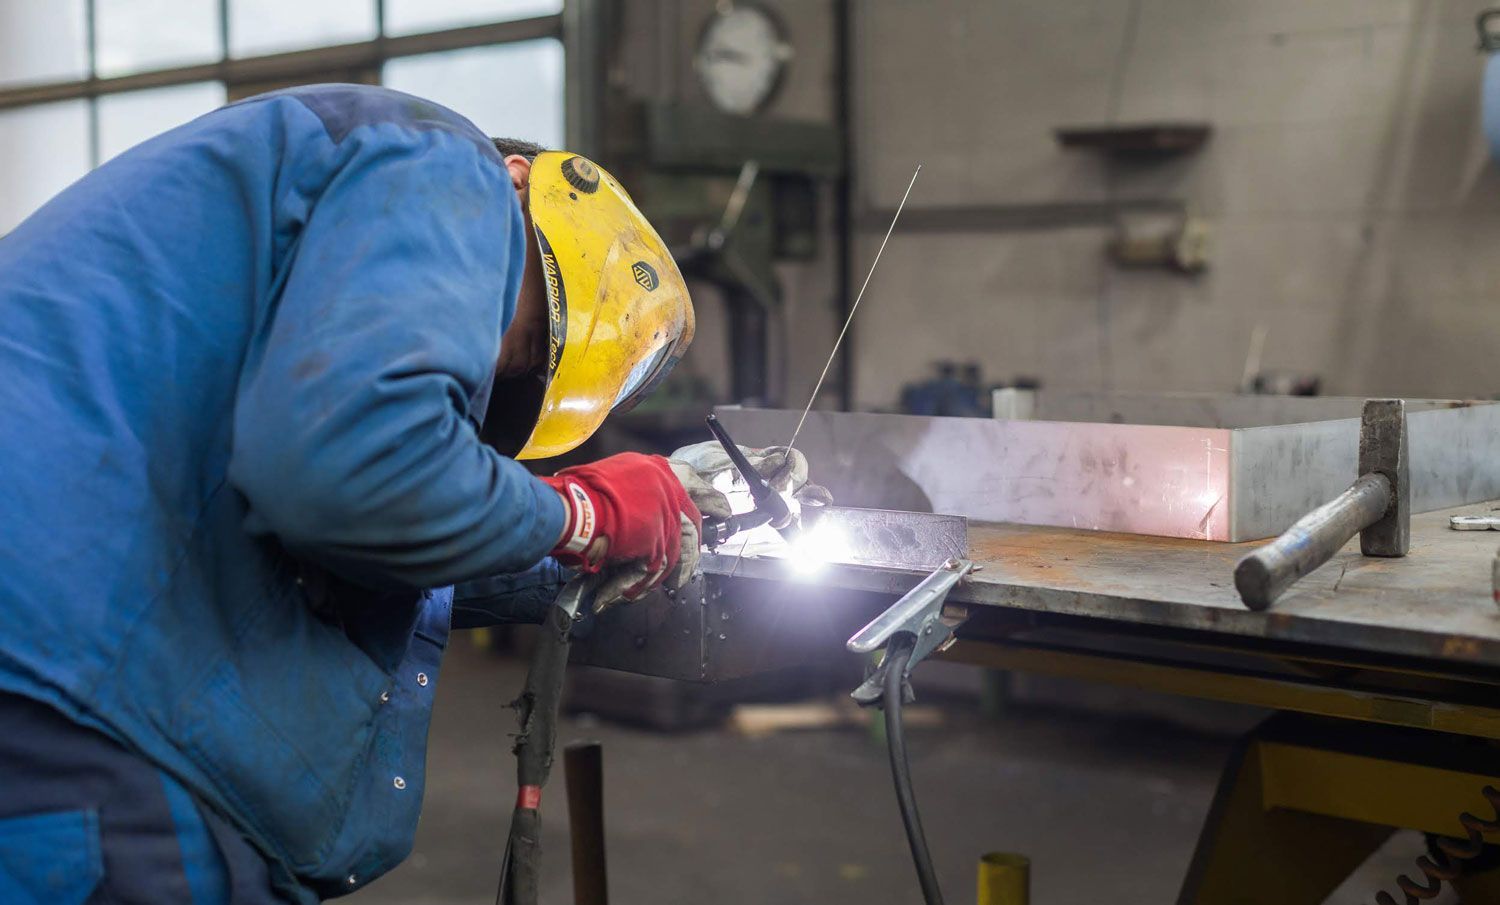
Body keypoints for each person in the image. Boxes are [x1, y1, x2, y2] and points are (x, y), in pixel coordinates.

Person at [0, 83, 811, 903]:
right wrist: (583, 516)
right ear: (522, 183)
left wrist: (609, 524)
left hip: (72, 679)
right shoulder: (451, 167)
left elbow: (378, 533)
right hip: (72, 690)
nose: (496, 366)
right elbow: (356, 478)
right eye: (529, 336)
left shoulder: (297, 274)